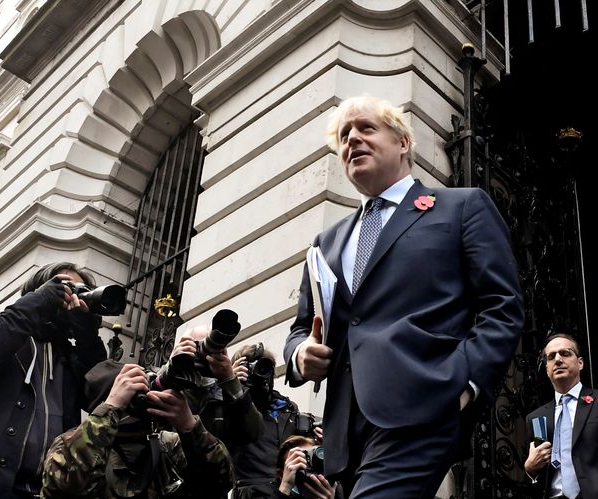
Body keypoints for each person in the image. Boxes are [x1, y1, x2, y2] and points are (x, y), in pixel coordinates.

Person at [284, 94, 524, 497]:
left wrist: (463, 386)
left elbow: (503, 306)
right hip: (344, 432)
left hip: (423, 407)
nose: (352, 140)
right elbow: (302, 327)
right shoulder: (326, 242)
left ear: (403, 143)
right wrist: (299, 355)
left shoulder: (460, 208)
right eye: (344, 135)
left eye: (366, 128)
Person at [0, 262, 108, 499]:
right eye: (65, 286)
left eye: (80, 290)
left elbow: (100, 398)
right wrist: (37, 304)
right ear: (41, 288)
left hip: (47, 489)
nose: (72, 294)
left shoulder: (69, 354)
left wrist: (87, 335)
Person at [41, 360, 234, 498]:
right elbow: (67, 486)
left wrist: (189, 426)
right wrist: (111, 408)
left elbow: (219, 484)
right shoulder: (69, 444)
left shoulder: (167, 444)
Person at [229, 343, 322, 499]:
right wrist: (230, 384)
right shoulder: (232, 407)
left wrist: (317, 444)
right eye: (252, 368)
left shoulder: (288, 407)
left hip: (292, 489)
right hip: (253, 493)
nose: (260, 373)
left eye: (264, 367)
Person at [524, 333, 596, 499]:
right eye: (551, 357)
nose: (557, 359)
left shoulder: (597, 402)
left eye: (565, 353)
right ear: (547, 369)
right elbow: (532, 482)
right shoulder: (535, 418)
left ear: (580, 363)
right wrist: (530, 470)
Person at [167, 324, 264, 447]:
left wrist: (230, 380)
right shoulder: (170, 384)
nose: (203, 352)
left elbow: (255, 432)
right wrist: (171, 367)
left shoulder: (225, 393)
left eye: (208, 345)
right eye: (197, 345)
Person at [274, 435, 339, 499]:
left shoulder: (339, 492)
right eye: (298, 463)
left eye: (311, 459)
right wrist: (285, 487)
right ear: (282, 475)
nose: (309, 467)